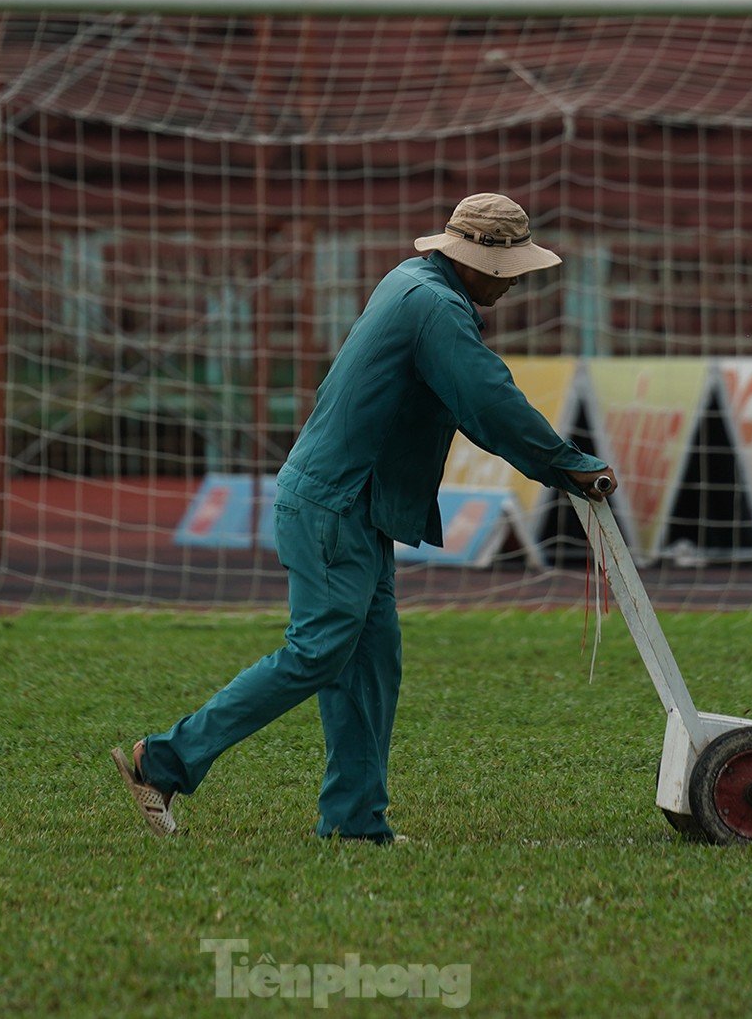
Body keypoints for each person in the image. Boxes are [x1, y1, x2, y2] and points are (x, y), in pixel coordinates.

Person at [111, 193, 618, 842]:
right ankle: (161, 761)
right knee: (319, 651)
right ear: (478, 261)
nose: (515, 279)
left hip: (352, 505)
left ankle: (354, 822)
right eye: (509, 267)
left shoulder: (415, 284)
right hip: (336, 504)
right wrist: (568, 463)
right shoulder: (435, 306)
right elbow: (488, 402)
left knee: (372, 661)